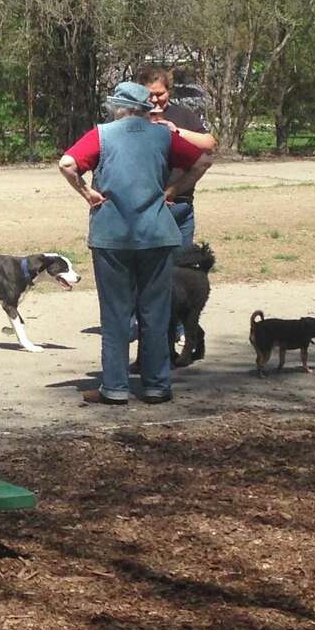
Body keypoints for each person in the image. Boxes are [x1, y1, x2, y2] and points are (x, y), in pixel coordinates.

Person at [58, 81, 210, 405]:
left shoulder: (102, 133)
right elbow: (202, 161)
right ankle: (157, 386)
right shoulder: (164, 135)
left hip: (112, 236)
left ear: (116, 107)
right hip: (157, 234)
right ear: (146, 109)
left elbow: (67, 164)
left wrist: (87, 193)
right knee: (155, 312)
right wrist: (172, 191)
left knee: (115, 314)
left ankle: (114, 387)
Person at [135, 64, 214, 250]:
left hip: (180, 203)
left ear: (168, 91)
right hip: (145, 205)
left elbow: (209, 143)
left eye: (160, 94)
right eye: (149, 95)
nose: (155, 100)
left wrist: (176, 131)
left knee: (180, 267)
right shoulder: (132, 116)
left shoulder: (183, 115)